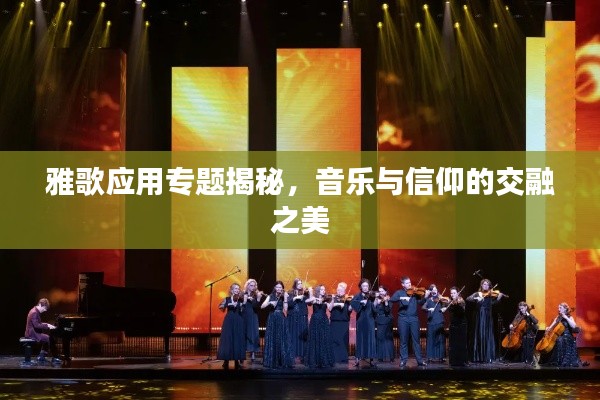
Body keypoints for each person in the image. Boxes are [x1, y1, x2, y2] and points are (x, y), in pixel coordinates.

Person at [391, 276, 430, 367]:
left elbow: (420, 303)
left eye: (410, 282)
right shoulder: (399, 292)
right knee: (403, 341)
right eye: (407, 283)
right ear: (403, 284)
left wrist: (425, 297)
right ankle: (403, 360)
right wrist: (402, 298)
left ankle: (419, 361)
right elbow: (392, 299)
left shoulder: (415, 293)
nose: (409, 284)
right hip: (403, 319)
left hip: (414, 319)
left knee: (416, 340)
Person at [466, 278, 504, 363]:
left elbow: (492, 304)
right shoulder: (477, 293)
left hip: (488, 316)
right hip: (480, 316)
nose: (486, 286)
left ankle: (487, 356)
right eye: (484, 284)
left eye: (487, 284)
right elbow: (468, 299)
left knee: (488, 335)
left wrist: (498, 298)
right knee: (480, 334)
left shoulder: (490, 295)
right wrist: (476, 299)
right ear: (481, 285)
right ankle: (478, 357)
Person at [261, 281, 293, 369]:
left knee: (281, 338)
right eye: (277, 287)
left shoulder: (283, 296)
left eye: (280, 287)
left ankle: (281, 360)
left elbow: (285, 309)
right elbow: (262, 306)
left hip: (281, 318)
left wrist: (285, 299)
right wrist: (270, 303)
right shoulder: (270, 296)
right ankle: (271, 360)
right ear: (275, 288)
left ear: (282, 288)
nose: (279, 289)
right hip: (272, 318)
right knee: (272, 338)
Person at [304, 285, 334, 368]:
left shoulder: (326, 300)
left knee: (324, 338)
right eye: (321, 289)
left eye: (324, 289)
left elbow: (330, 308)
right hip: (315, 320)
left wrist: (332, 300)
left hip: (324, 320)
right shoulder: (314, 299)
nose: (323, 291)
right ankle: (315, 360)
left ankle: (324, 360)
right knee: (315, 338)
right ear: (318, 290)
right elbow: (307, 301)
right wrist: (312, 296)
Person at [216, 283, 246, 369]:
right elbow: (221, 307)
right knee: (228, 339)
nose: (237, 290)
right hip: (229, 321)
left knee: (237, 339)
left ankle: (237, 360)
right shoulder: (227, 299)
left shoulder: (240, 300)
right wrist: (227, 305)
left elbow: (242, 310)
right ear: (232, 290)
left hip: (238, 320)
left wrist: (243, 303)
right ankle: (226, 360)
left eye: (238, 289)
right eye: (235, 288)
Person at [24, 298, 61, 364]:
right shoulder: (34, 312)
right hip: (32, 333)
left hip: (33, 332)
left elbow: (38, 323)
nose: (45, 310)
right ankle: (55, 357)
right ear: (40, 305)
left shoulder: (35, 311)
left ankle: (41, 356)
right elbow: (36, 325)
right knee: (49, 338)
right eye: (44, 308)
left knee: (46, 338)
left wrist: (48, 324)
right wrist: (47, 326)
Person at [546, 302, 582, 367]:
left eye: (560, 308)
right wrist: (549, 328)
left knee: (560, 340)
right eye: (558, 308)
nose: (558, 309)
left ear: (565, 309)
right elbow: (553, 324)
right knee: (557, 340)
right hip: (560, 335)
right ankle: (557, 360)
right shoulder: (558, 317)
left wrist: (566, 318)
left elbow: (574, 326)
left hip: (568, 336)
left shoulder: (569, 317)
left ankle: (564, 360)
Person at [350, 278, 377, 367]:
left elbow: (375, 309)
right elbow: (353, 303)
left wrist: (375, 300)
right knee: (360, 339)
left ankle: (371, 359)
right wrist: (361, 302)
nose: (365, 287)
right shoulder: (357, 296)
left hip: (370, 320)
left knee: (370, 339)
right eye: (363, 286)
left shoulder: (371, 296)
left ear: (369, 287)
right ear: (361, 287)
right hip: (361, 320)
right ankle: (357, 359)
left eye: (367, 286)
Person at [441, 287, 468, 366]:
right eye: (451, 293)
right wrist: (443, 308)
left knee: (461, 343)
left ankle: (462, 361)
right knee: (453, 343)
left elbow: (462, 311)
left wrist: (457, 304)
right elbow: (444, 305)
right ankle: (453, 361)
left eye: (454, 293)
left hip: (461, 324)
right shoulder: (450, 301)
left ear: (458, 293)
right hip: (453, 324)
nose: (452, 295)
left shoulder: (461, 301)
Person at [287, 278, 309, 364]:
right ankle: (292, 355)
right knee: (293, 336)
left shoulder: (304, 293)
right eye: (298, 283)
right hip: (292, 317)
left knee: (302, 336)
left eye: (301, 283)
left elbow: (310, 303)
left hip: (302, 317)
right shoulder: (290, 293)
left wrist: (309, 293)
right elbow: (289, 304)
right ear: (295, 284)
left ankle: (302, 355)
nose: (300, 285)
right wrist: (295, 298)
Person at [422, 284, 446, 363]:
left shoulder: (440, 298)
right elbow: (423, 307)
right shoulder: (429, 300)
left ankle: (441, 357)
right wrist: (429, 309)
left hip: (439, 321)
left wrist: (444, 307)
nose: (434, 291)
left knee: (440, 339)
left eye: (435, 290)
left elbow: (446, 305)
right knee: (430, 339)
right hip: (431, 322)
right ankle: (430, 357)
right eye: (432, 290)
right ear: (430, 292)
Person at [242, 279, 263, 363]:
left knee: (253, 333)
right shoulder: (243, 294)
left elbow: (257, 307)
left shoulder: (256, 295)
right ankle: (242, 354)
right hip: (244, 316)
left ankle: (253, 354)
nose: (253, 287)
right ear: (247, 286)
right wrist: (245, 300)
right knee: (244, 333)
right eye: (251, 285)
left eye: (254, 286)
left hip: (253, 316)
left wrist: (258, 299)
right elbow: (241, 306)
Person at [330, 282, 352, 363]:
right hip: (334, 322)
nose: (339, 292)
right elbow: (330, 309)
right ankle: (334, 358)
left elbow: (349, 310)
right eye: (338, 290)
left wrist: (352, 303)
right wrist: (333, 301)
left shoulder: (347, 299)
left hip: (344, 322)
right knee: (334, 341)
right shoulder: (333, 298)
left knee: (343, 341)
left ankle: (343, 358)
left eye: (341, 290)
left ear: (345, 291)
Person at [374, 285, 394, 362]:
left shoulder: (388, 299)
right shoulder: (377, 299)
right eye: (380, 291)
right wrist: (376, 301)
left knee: (388, 338)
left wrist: (386, 302)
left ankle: (390, 356)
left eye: (382, 291)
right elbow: (374, 309)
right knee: (380, 338)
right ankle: (381, 357)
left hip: (387, 320)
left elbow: (387, 310)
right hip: (379, 320)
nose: (381, 293)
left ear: (386, 292)